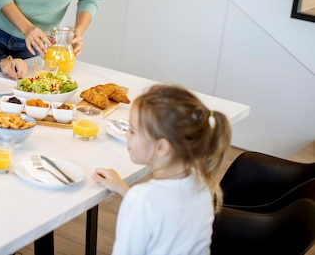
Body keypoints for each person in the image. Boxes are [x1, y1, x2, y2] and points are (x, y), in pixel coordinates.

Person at [93, 84, 232, 255]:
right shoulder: (201, 183)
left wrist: (134, 198)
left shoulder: (142, 200)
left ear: (161, 147)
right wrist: (123, 189)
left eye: (133, 131)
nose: (127, 134)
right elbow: (163, 210)